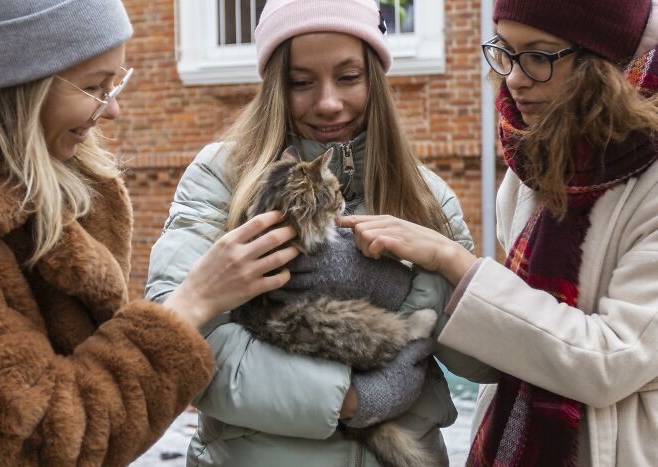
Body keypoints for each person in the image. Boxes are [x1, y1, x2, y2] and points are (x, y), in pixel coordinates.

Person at [146, 0, 496, 465]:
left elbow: (480, 362)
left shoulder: (425, 193)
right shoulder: (223, 176)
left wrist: (439, 267)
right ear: (274, 86)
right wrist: (351, 399)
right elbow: (183, 342)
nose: (328, 102)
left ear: (374, 76)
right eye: (301, 82)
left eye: (349, 77)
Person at [0, 1, 299, 465]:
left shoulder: (71, 188)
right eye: (96, 87)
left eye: (117, 81)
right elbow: (37, 442)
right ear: (21, 87)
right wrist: (190, 305)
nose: (114, 108)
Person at [340, 0, 658, 465]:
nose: (514, 77)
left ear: (603, 62)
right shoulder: (530, 167)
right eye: (506, 51)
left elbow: (611, 360)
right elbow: (521, 335)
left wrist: (453, 263)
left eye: (539, 55)